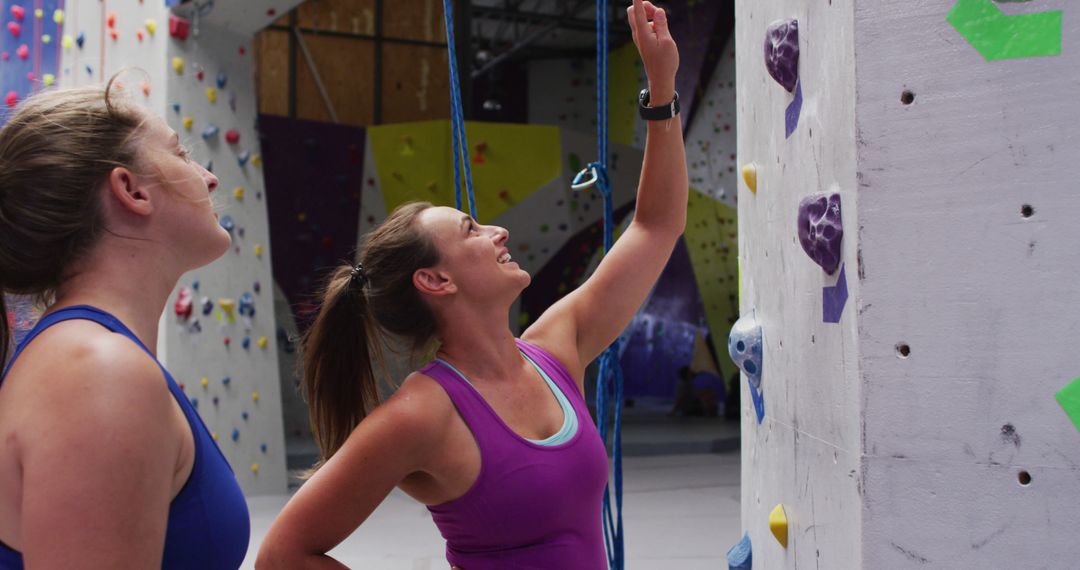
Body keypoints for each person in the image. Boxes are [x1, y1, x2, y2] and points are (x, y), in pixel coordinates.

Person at [257, 1, 685, 567]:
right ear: (435, 280)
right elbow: (283, 555)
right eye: (471, 229)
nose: (499, 230)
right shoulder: (421, 415)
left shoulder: (558, 346)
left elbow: (656, 226)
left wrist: (661, 90)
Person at [0, 78, 250, 568]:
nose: (209, 177)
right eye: (181, 154)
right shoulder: (97, 373)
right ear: (131, 190)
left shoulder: (93, 359)